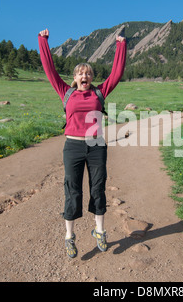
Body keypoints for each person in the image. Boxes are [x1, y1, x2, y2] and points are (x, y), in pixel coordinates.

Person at [38, 28, 126, 258]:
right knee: (72, 191)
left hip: (97, 146)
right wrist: (43, 41)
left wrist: (121, 45)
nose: (84, 76)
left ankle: (100, 231)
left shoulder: (99, 93)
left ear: (91, 77)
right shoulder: (65, 92)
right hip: (73, 146)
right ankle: (69, 236)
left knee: (98, 188)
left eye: (87, 73)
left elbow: (116, 73)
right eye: (80, 74)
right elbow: (49, 70)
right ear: (74, 78)